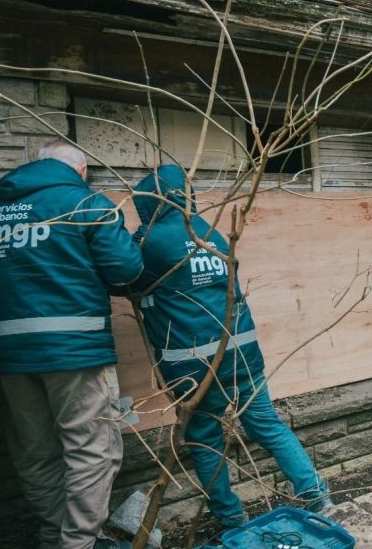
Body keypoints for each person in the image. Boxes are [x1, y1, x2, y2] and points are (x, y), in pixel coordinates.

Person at [125, 165, 331, 528]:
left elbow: (121, 277)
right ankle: (315, 493)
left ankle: (231, 517)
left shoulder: (150, 242)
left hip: (193, 366)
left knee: (205, 439)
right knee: (267, 426)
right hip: (243, 354)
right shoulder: (213, 233)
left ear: (150, 202)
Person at [0, 141, 143, 549]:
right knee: (92, 451)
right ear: (81, 170)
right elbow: (125, 270)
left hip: (11, 353)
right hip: (75, 350)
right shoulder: (86, 203)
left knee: (36, 453)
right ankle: (78, 542)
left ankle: (53, 536)